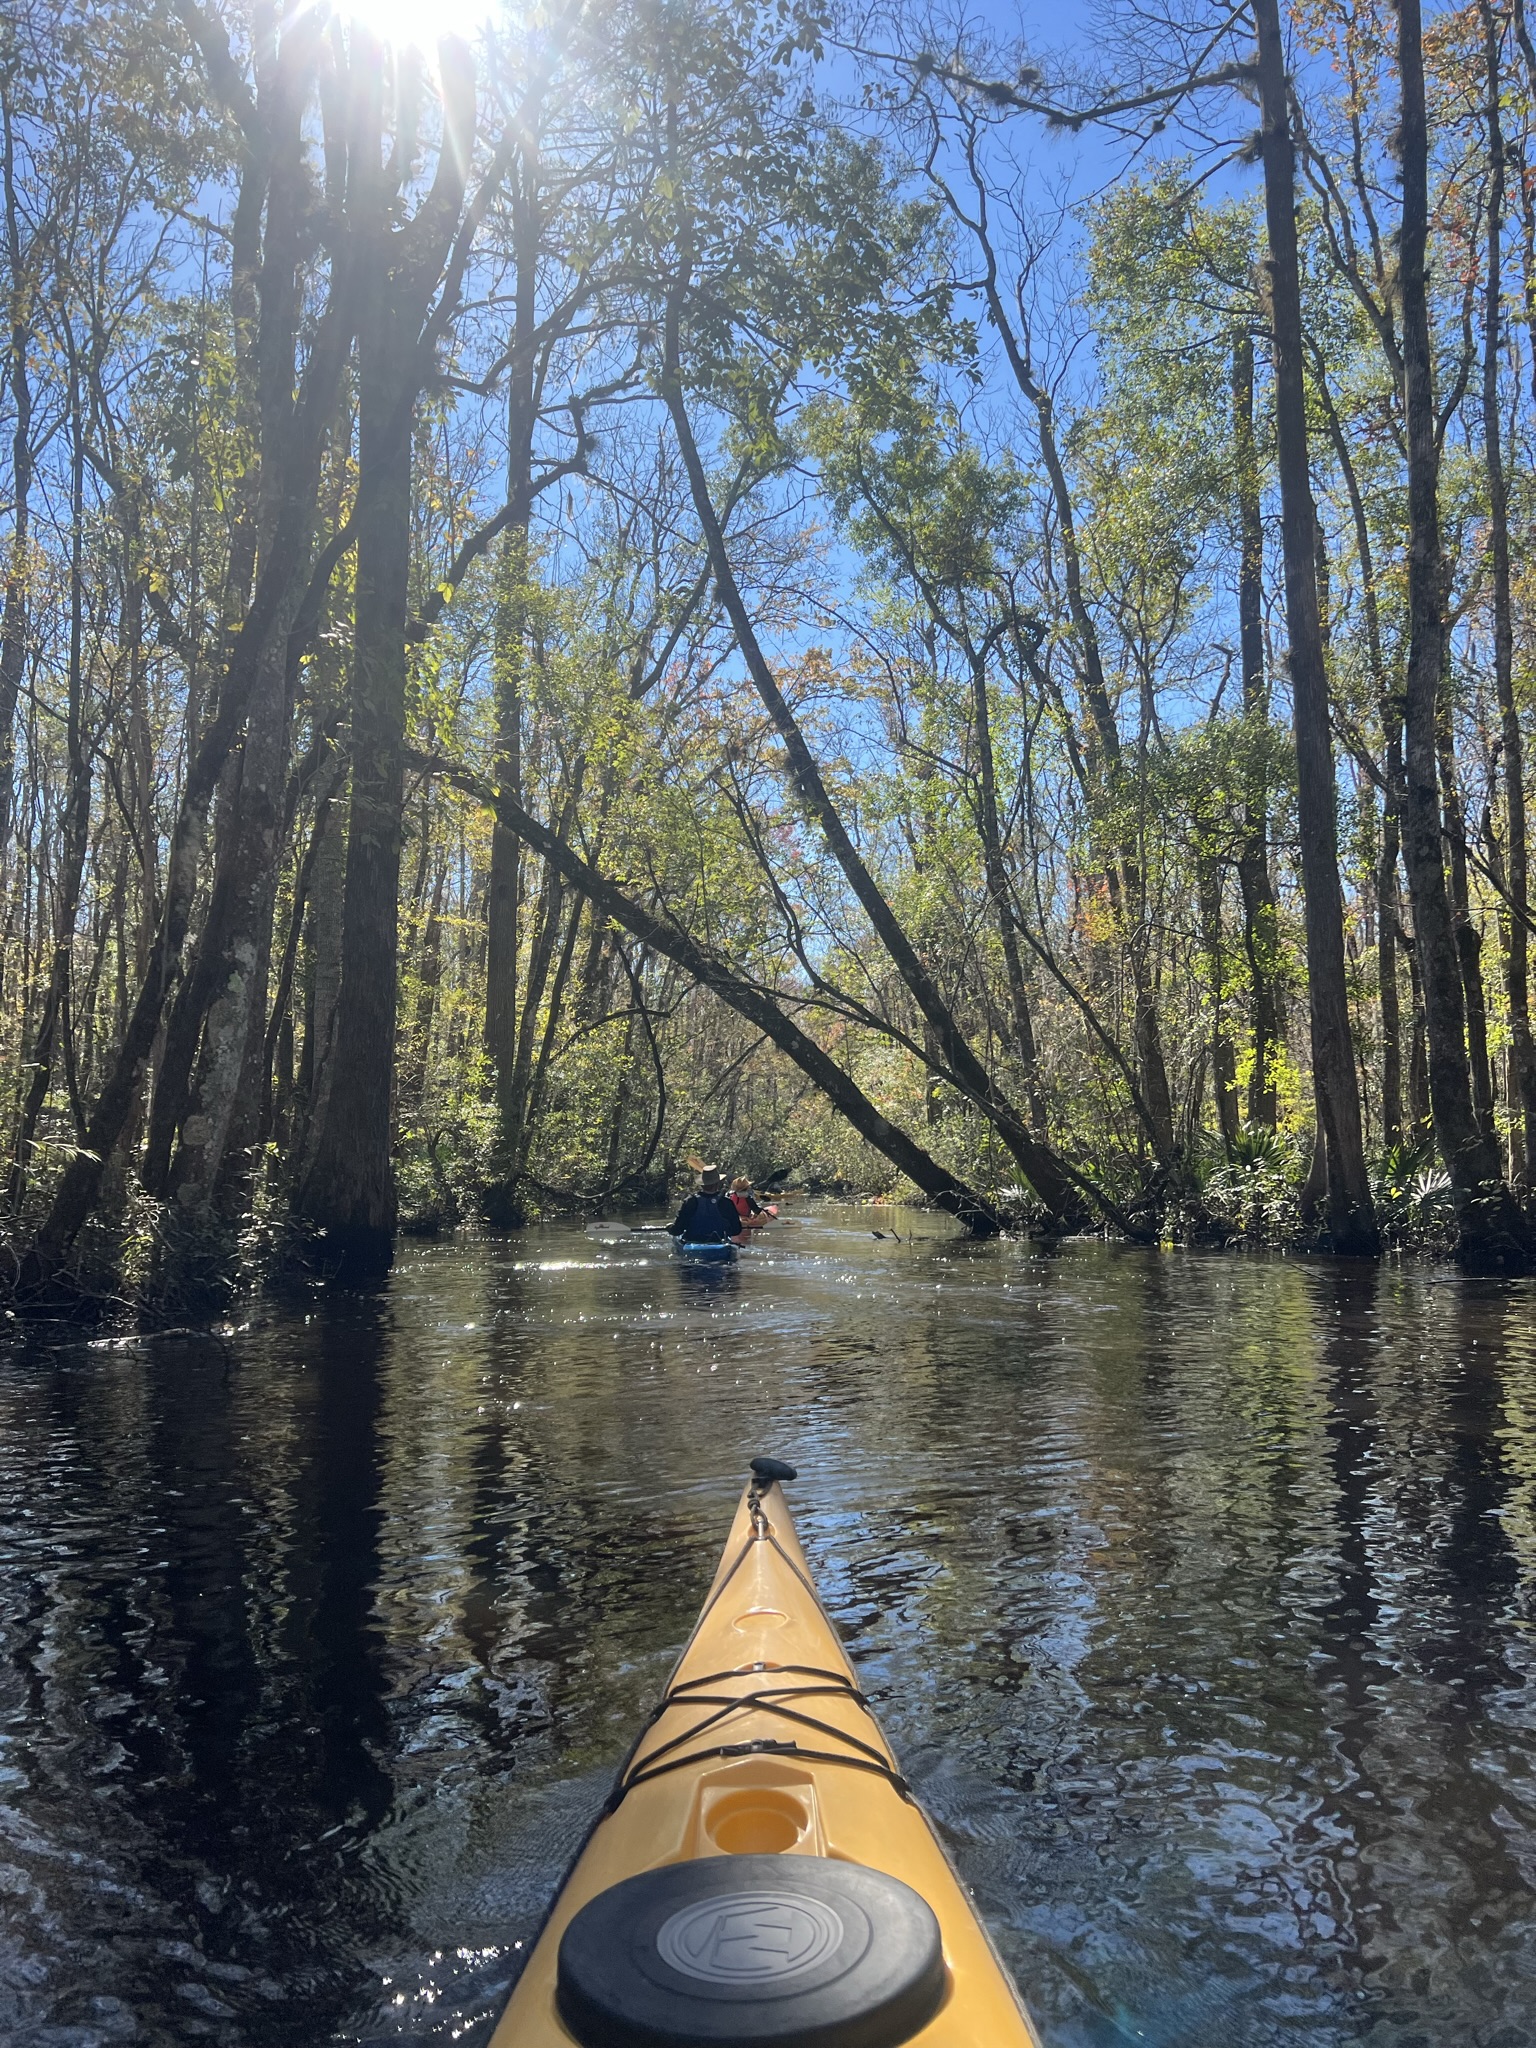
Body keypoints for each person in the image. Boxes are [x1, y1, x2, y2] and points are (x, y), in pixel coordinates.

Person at [667, 1165, 746, 1244]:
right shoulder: (726, 1203)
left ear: (702, 1184)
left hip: (693, 1243)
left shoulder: (690, 1201)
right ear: (718, 1183)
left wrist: (670, 1228)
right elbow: (736, 1230)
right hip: (718, 1243)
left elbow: (677, 1231)